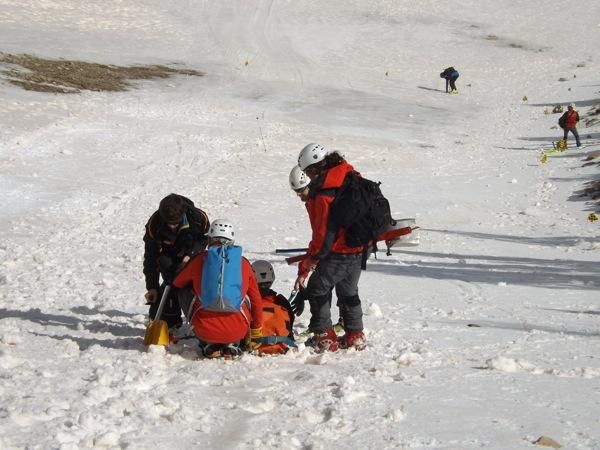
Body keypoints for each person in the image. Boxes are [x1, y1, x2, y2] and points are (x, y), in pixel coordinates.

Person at [294, 143, 367, 353]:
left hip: (339, 252)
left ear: (315, 168)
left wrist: (309, 262)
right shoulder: (350, 176)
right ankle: (355, 335)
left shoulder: (324, 193)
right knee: (349, 291)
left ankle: (324, 337)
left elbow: (322, 237)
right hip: (359, 248)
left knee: (317, 289)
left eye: (308, 171)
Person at [172, 219, 263, 358]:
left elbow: (178, 283)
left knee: (184, 289)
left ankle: (208, 343)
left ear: (209, 239)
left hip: (204, 329)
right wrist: (256, 329)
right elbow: (256, 299)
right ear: (232, 241)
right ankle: (232, 343)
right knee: (243, 296)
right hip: (238, 329)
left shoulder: (200, 260)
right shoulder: (243, 263)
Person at [143, 193, 210, 330]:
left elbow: (205, 239)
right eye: (169, 223)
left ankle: (200, 316)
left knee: (192, 284)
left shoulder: (198, 218)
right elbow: (151, 256)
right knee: (170, 276)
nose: (172, 226)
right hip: (169, 256)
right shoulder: (154, 225)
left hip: (193, 253)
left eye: (175, 223)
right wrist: (152, 287)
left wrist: (188, 257)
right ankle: (169, 317)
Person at [251, 260, 296, 354]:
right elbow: (290, 324)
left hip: (253, 345)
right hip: (281, 342)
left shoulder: (247, 301)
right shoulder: (281, 301)